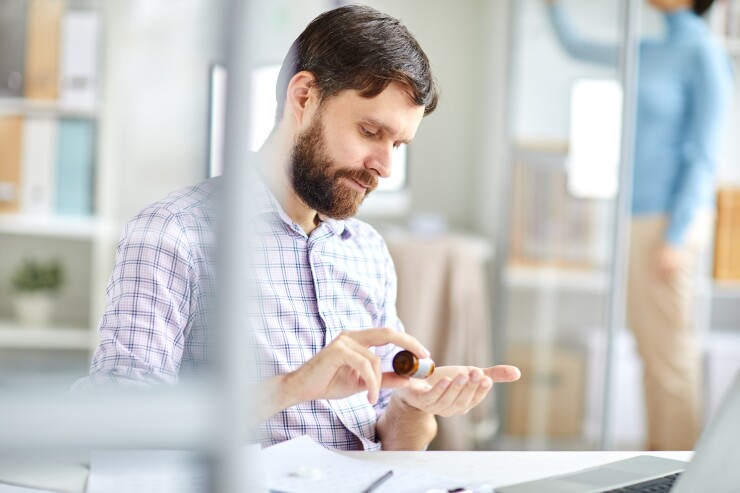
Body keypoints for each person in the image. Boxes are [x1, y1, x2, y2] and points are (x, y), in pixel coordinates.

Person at [78, 4, 521, 451]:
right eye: (370, 131)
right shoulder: (174, 234)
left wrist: (416, 404)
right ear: (305, 96)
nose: (384, 167)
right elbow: (120, 418)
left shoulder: (366, 250)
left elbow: (397, 439)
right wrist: (292, 386)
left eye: (398, 144)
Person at [545, 0, 733, 450]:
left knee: (670, 356)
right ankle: (659, 457)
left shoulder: (704, 53)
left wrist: (677, 235)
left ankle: (680, 470)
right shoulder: (650, 47)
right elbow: (574, 44)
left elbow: (705, 154)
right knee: (652, 351)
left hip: (670, 222)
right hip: (638, 217)